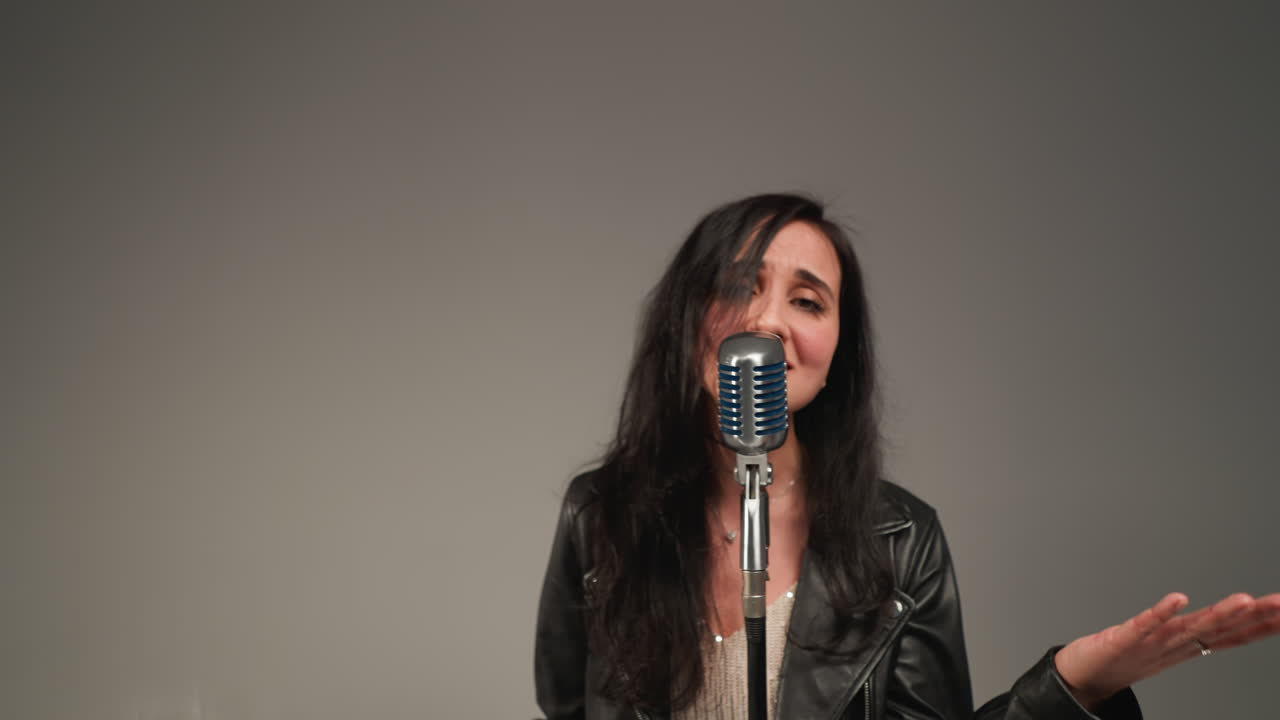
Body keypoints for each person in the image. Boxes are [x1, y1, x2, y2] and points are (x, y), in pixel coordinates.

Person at [533, 193, 1280, 720]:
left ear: (833, 358)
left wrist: (1074, 688)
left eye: (807, 300)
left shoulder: (901, 539)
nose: (768, 321)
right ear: (687, 318)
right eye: (740, 285)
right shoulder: (599, 517)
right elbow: (565, 709)